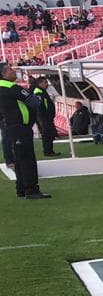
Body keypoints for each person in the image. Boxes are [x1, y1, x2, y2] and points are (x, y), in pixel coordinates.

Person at [0, 62, 49, 199]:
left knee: (19, 158)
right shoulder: (11, 88)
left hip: (13, 127)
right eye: (10, 69)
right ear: (3, 74)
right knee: (27, 158)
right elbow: (34, 101)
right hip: (20, 127)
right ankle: (31, 189)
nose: (13, 71)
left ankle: (21, 188)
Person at [29, 75, 58, 157]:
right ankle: (48, 151)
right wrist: (44, 117)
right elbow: (40, 106)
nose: (47, 84)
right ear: (40, 83)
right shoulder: (38, 92)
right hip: (44, 118)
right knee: (47, 134)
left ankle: (50, 150)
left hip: (46, 118)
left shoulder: (41, 92)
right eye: (45, 82)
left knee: (49, 134)